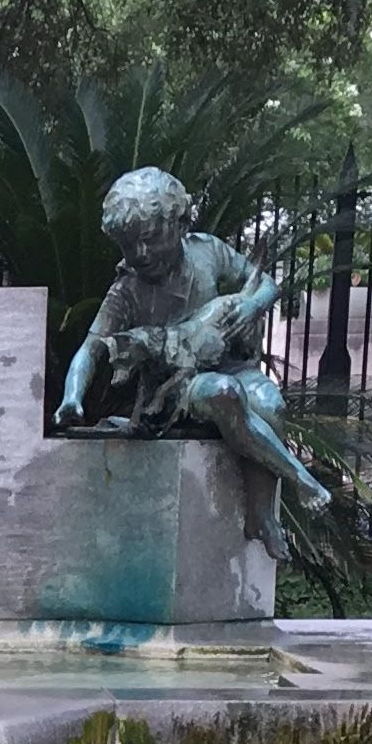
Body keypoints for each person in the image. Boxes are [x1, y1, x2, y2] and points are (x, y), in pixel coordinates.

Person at [53, 166, 331, 554]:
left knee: (270, 403)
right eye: (129, 245)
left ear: (179, 224)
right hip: (174, 386)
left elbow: (266, 284)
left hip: (231, 363)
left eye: (149, 239)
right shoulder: (127, 290)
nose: (140, 254)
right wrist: (72, 398)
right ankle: (300, 478)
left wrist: (252, 307)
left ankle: (261, 514)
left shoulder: (208, 251)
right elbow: (91, 348)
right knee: (224, 393)